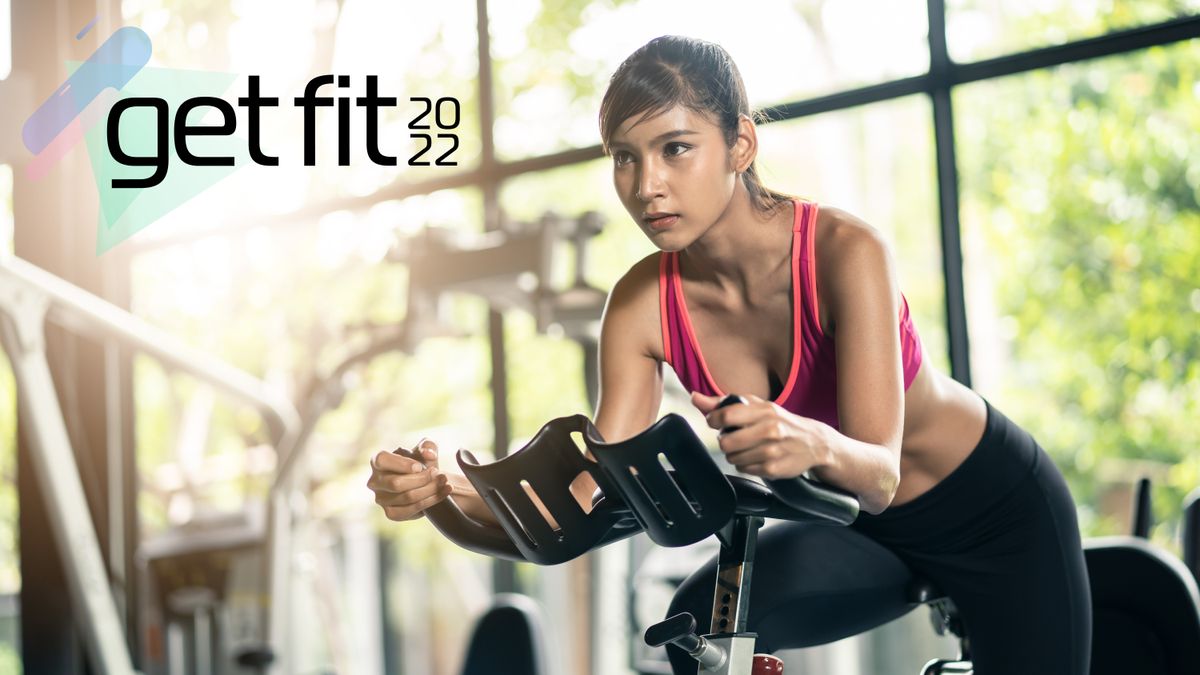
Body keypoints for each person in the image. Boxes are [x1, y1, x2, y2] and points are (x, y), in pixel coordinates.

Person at [367, 35, 1092, 675]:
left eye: (675, 148)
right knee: (708, 630)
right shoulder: (641, 304)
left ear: (741, 144)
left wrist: (805, 437)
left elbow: (878, 471)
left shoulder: (845, 252)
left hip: (994, 511)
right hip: (858, 530)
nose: (646, 185)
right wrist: (451, 492)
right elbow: (603, 495)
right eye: (626, 157)